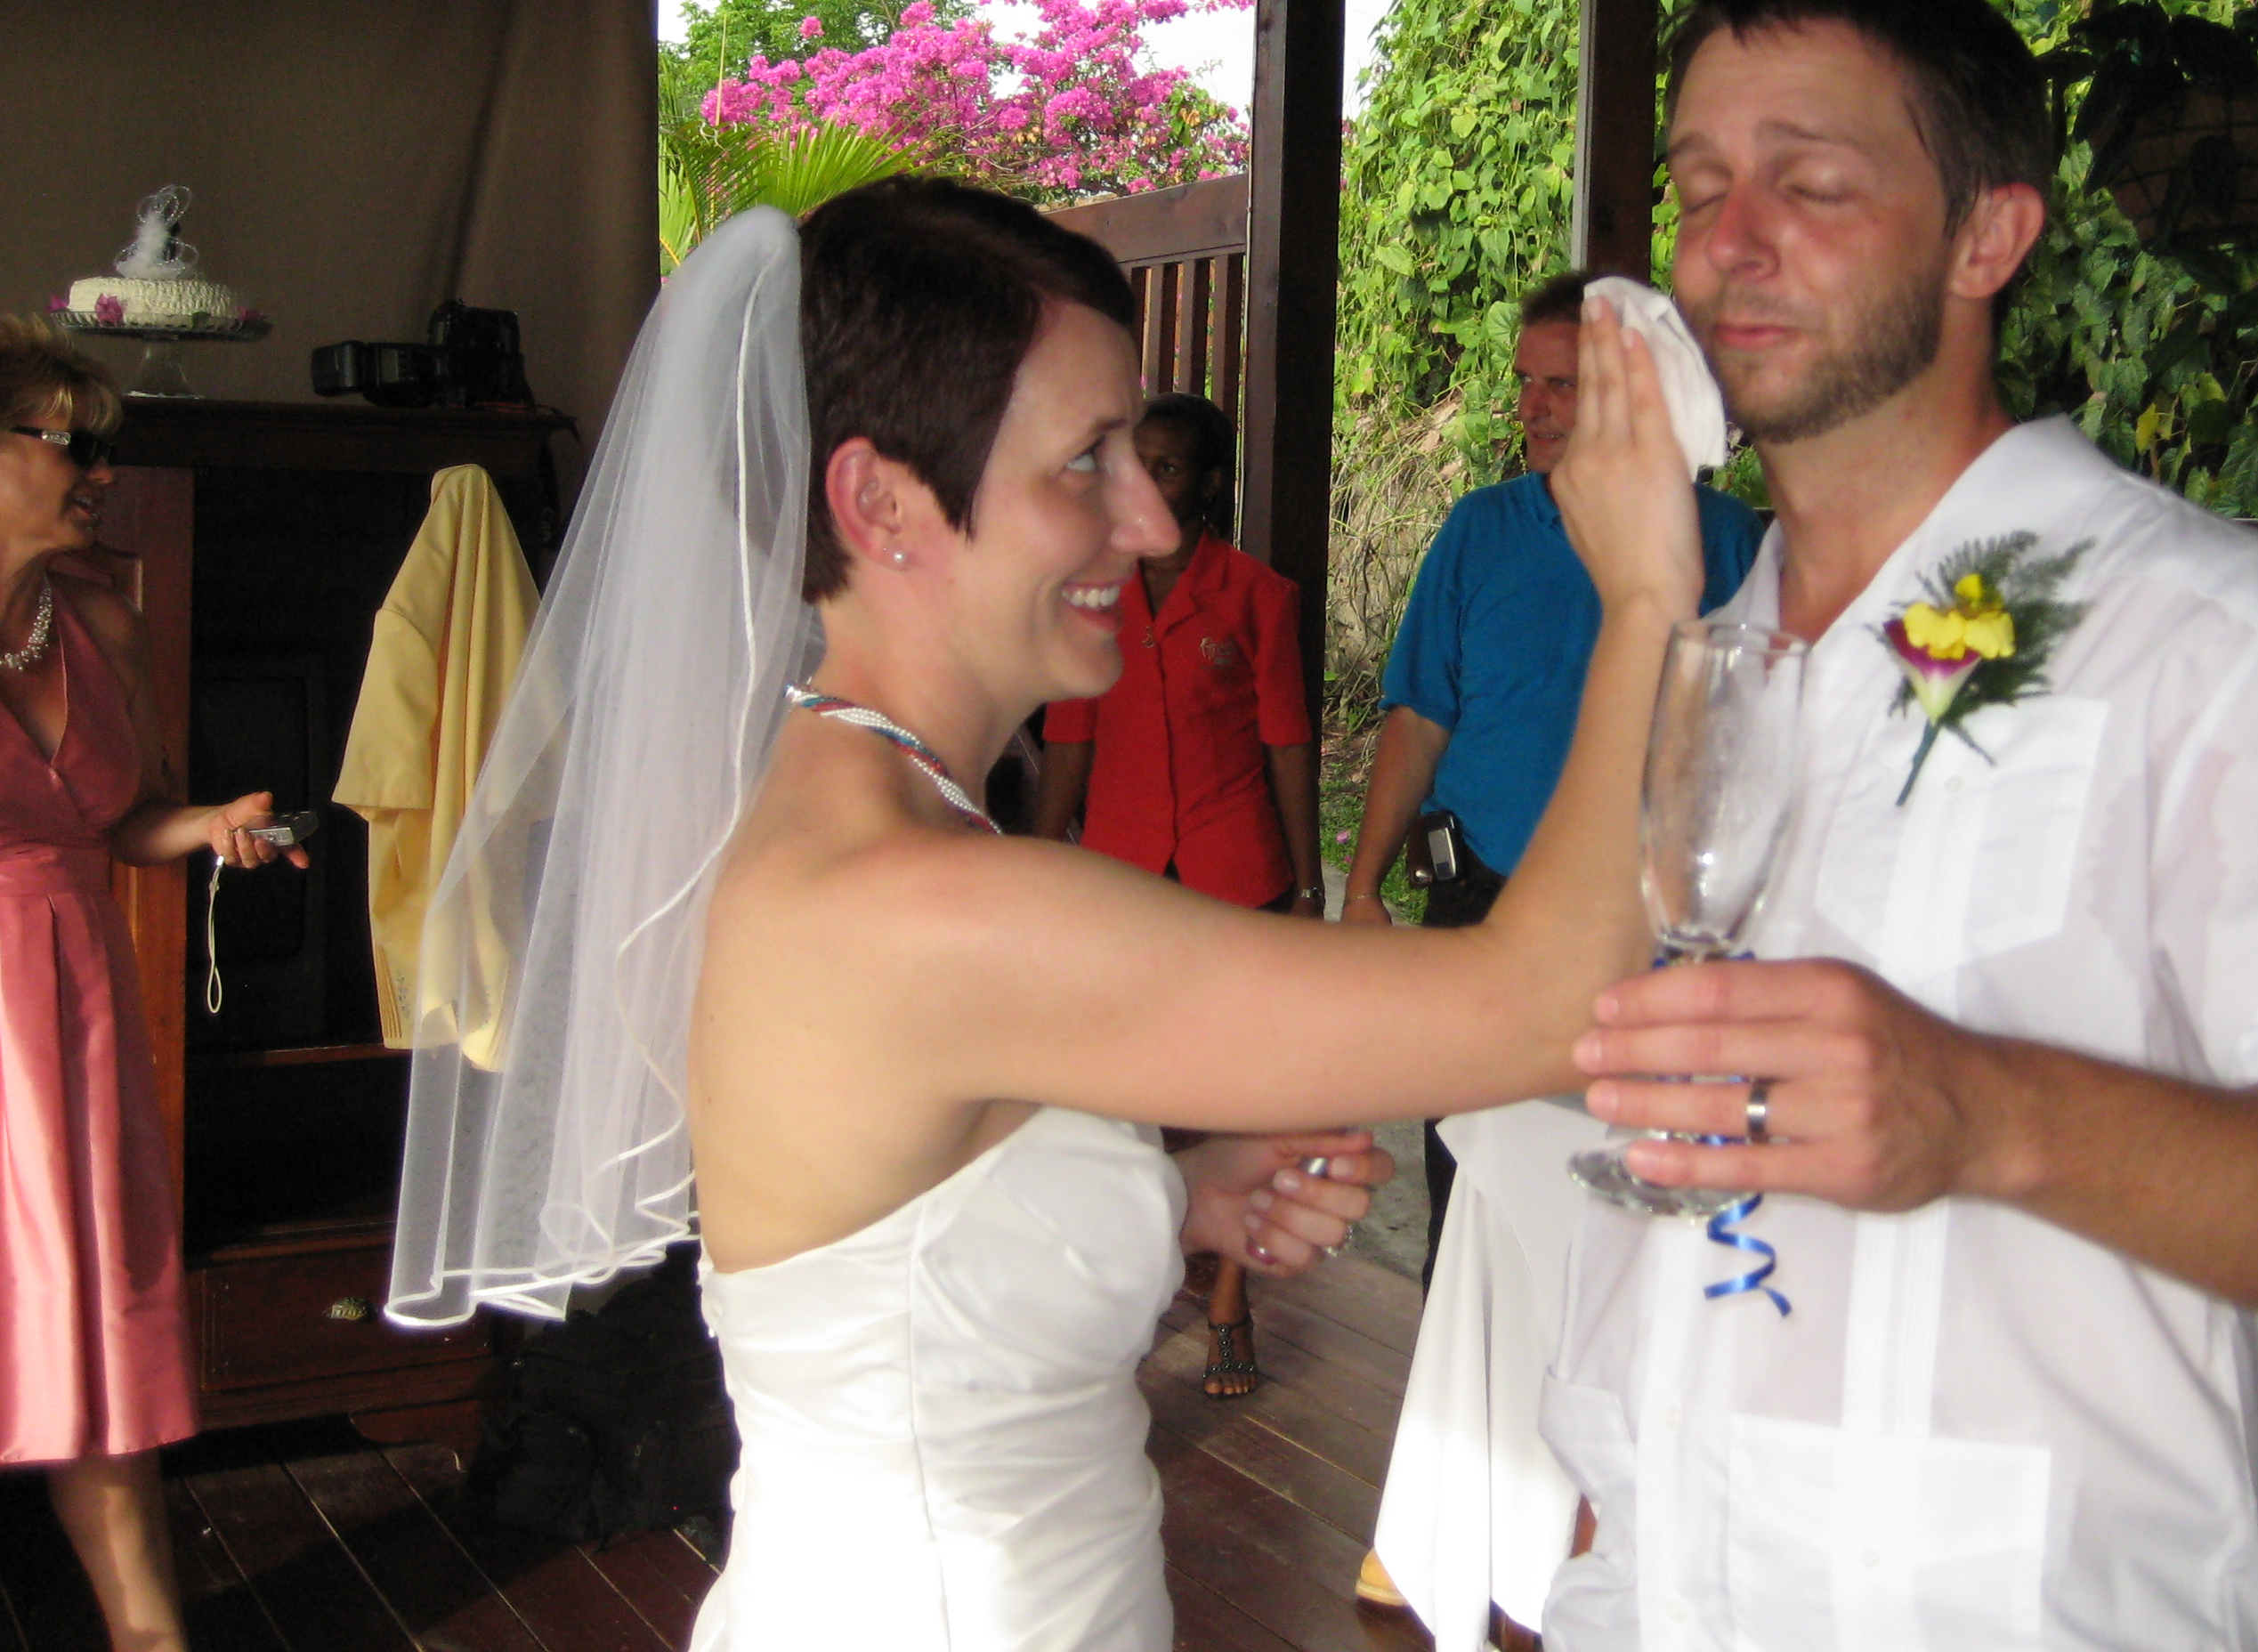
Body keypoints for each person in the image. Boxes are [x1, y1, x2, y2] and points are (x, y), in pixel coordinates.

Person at [384, 179, 1704, 1652]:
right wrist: (1646, 597)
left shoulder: (856, 819)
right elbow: (1548, 1001)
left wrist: (1176, 1194)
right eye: (1086, 462)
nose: (1150, 518)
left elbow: (901, 1242)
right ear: (879, 504)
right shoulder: (932, 906)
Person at [1546, 0, 2258, 1650]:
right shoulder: (1690, 652)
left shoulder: (2215, 635)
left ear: (1988, 237)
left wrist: (1985, 1107)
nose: (1726, 243)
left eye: (1809, 183)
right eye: (1698, 187)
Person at [1341, 273, 1763, 1275]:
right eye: (1525, 382)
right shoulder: (1480, 530)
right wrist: (1361, 889)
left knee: (1634, 1200)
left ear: (1632, 394)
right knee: (1471, 1202)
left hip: (1650, 924)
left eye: (1562, 385)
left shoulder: (1732, 541)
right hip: (1480, 897)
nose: (1531, 407)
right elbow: (1420, 716)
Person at [0, 316, 303, 1652]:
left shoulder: (101, 622)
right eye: (74, 445)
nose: (102, 474)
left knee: (93, 1334)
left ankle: (149, 1638)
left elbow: (122, 820)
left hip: (74, 1015)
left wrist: (205, 826)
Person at [1033, 388, 1323, 1397]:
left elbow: (1287, 743)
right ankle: (1126, 1300)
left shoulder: (1256, 595)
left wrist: (1308, 885)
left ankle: (1230, 1300)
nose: (1147, 483)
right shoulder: (1091, 590)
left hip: (1232, 875)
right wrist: (1038, 862)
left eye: (1167, 467)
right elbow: (1069, 739)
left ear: (1207, 484)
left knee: (1239, 1095)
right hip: (1122, 879)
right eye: (1136, 464)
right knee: (1124, 1102)